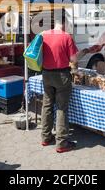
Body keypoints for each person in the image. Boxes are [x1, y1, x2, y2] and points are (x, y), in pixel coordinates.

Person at [41, 10, 78, 153]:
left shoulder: (44, 35)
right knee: (62, 108)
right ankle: (62, 142)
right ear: (64, 22)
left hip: (46, 74)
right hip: (62, 75)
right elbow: (74, 60)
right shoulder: (66, 37)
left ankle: (45, 137)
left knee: (47, 105)